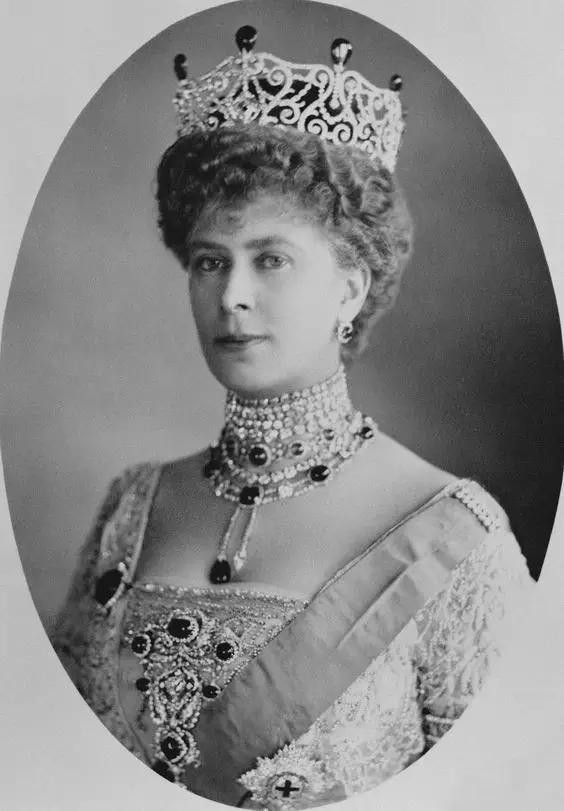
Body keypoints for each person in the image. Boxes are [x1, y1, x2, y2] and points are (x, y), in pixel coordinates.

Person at [51, 26, 534, 809]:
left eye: (270, 259)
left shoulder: (454, 541)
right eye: (210, 261)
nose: (231, 295)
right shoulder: (131, 508)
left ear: (350, 287)